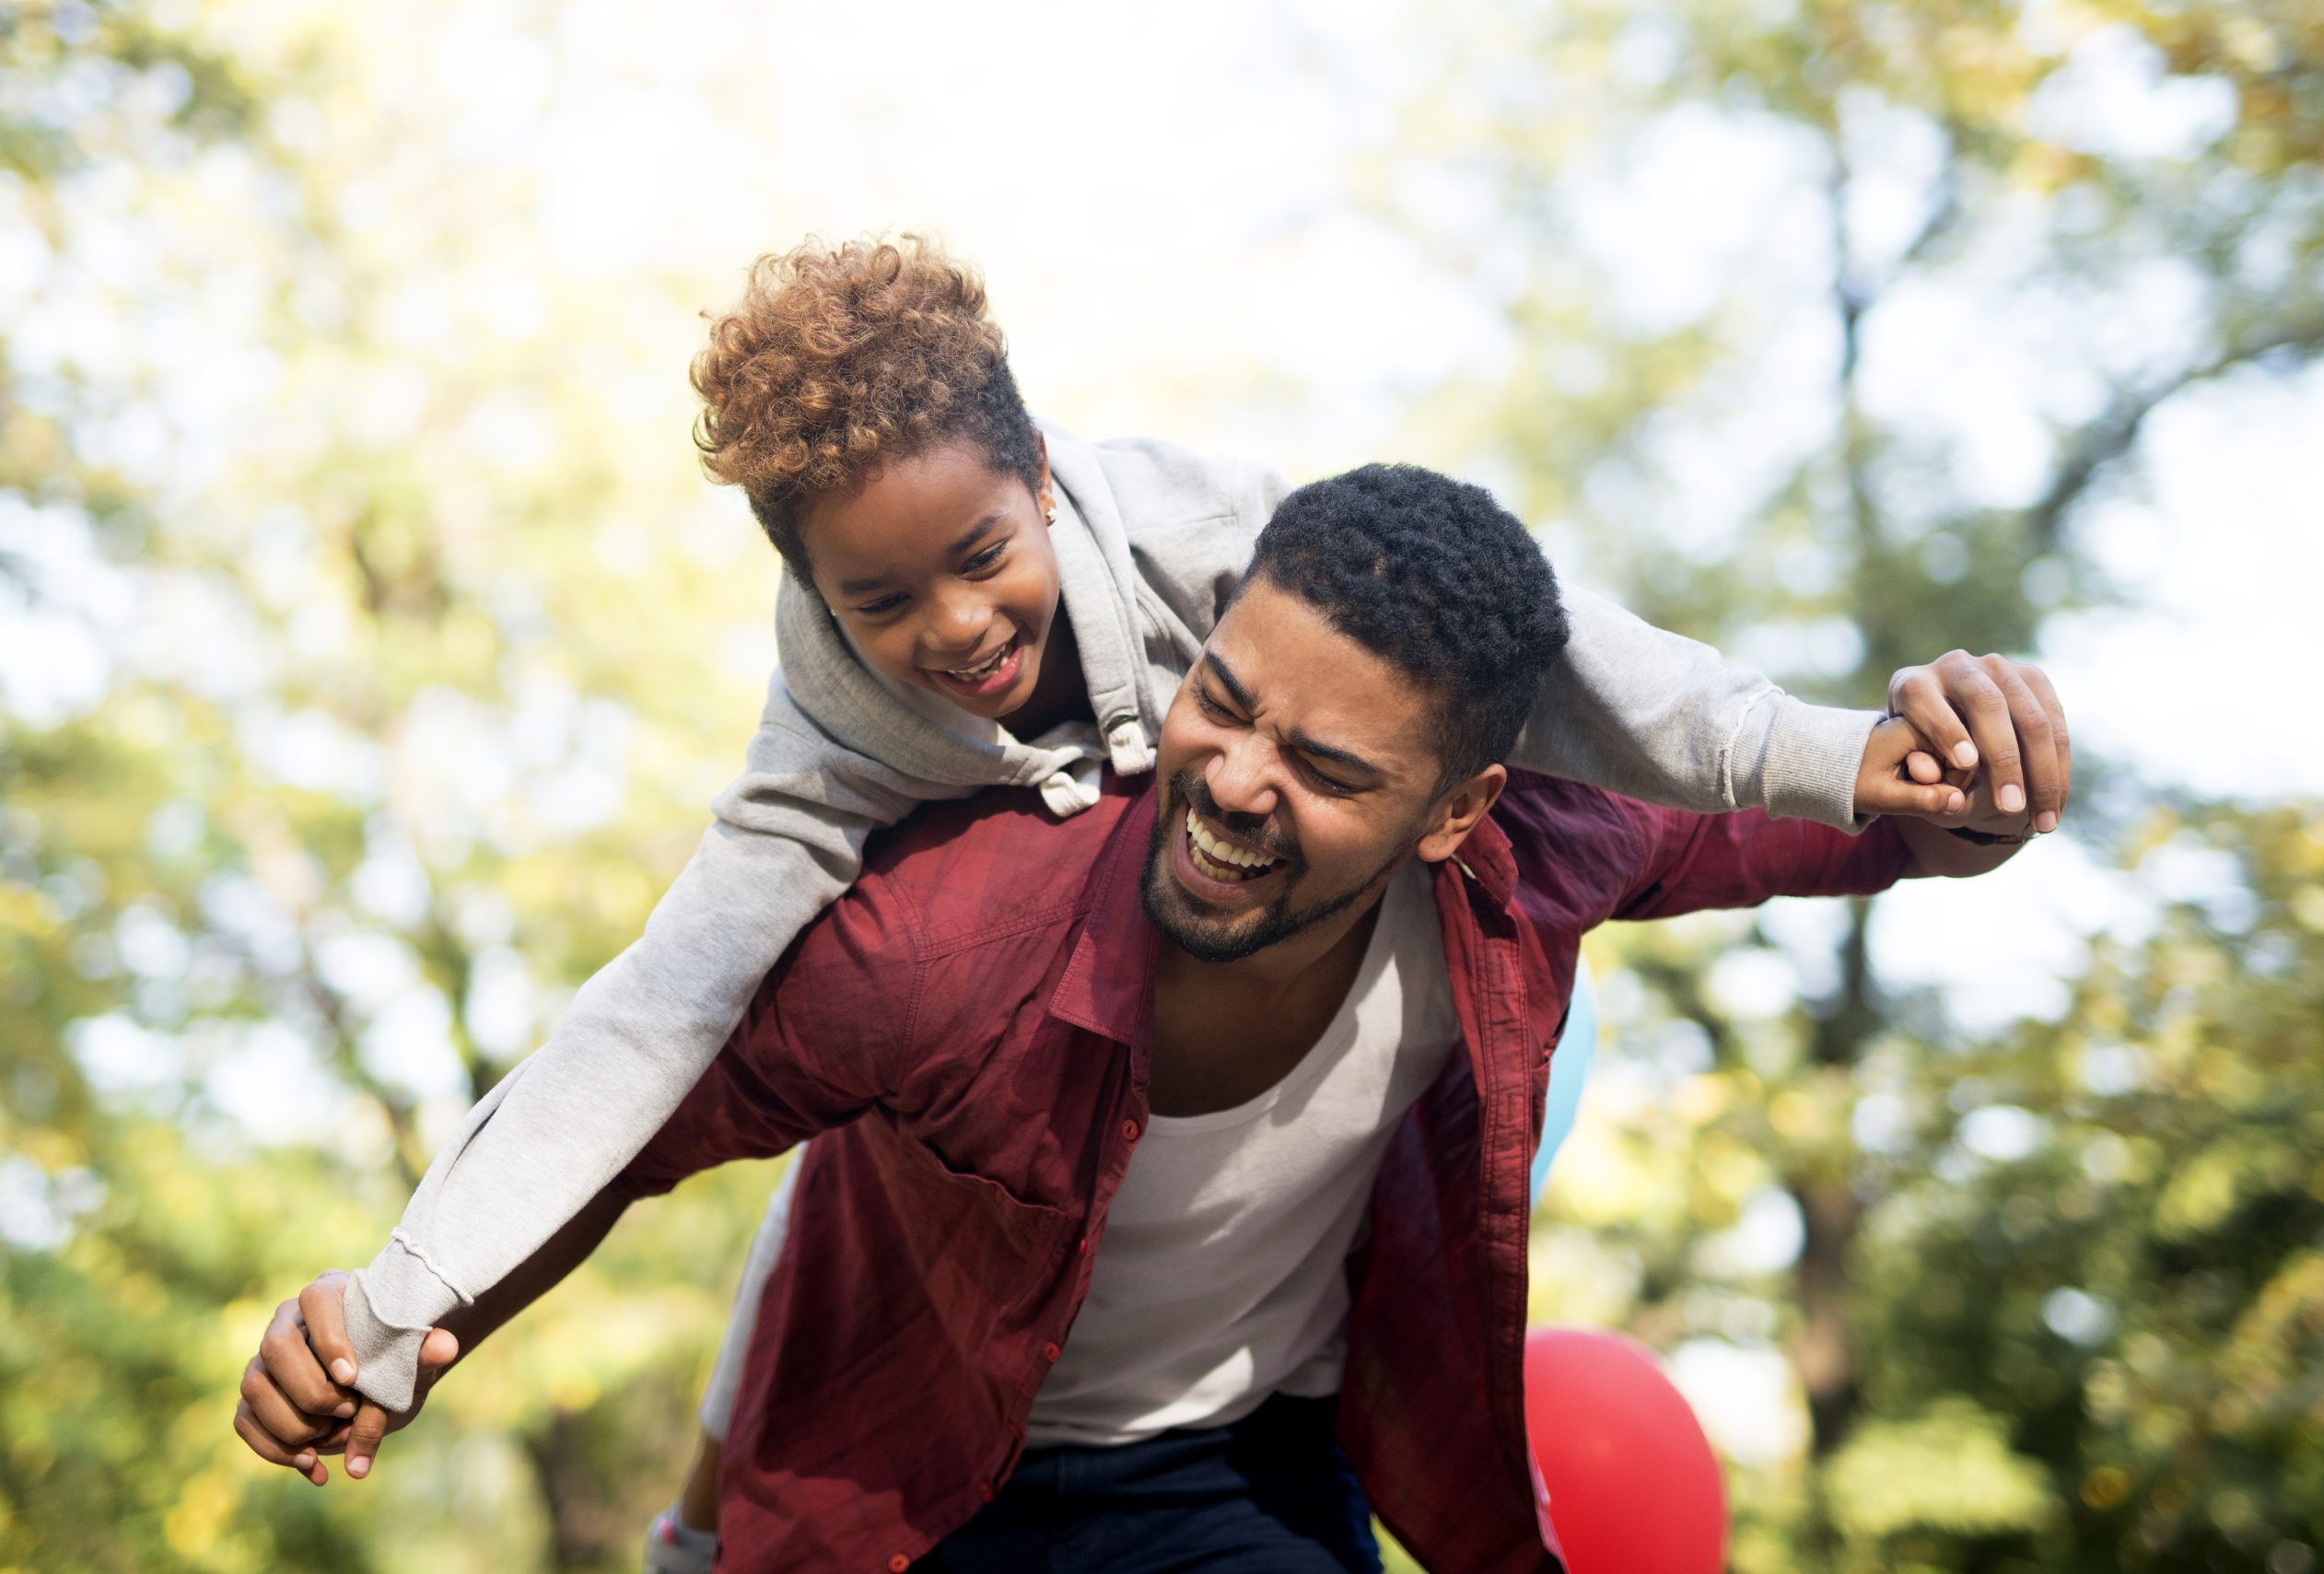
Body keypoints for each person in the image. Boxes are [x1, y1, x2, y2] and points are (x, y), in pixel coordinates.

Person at [233, 464, 2052, 1572]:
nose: (1233, 781)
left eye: (1323, 767)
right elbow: (645, 1106)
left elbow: (1867, 823)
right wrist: (407, 1311)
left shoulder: (1539, 849)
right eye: (1222, 700)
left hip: (1223, 1484)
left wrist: (1982, 768)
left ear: (1451, 809)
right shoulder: (939, 942)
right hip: (915, 1490)